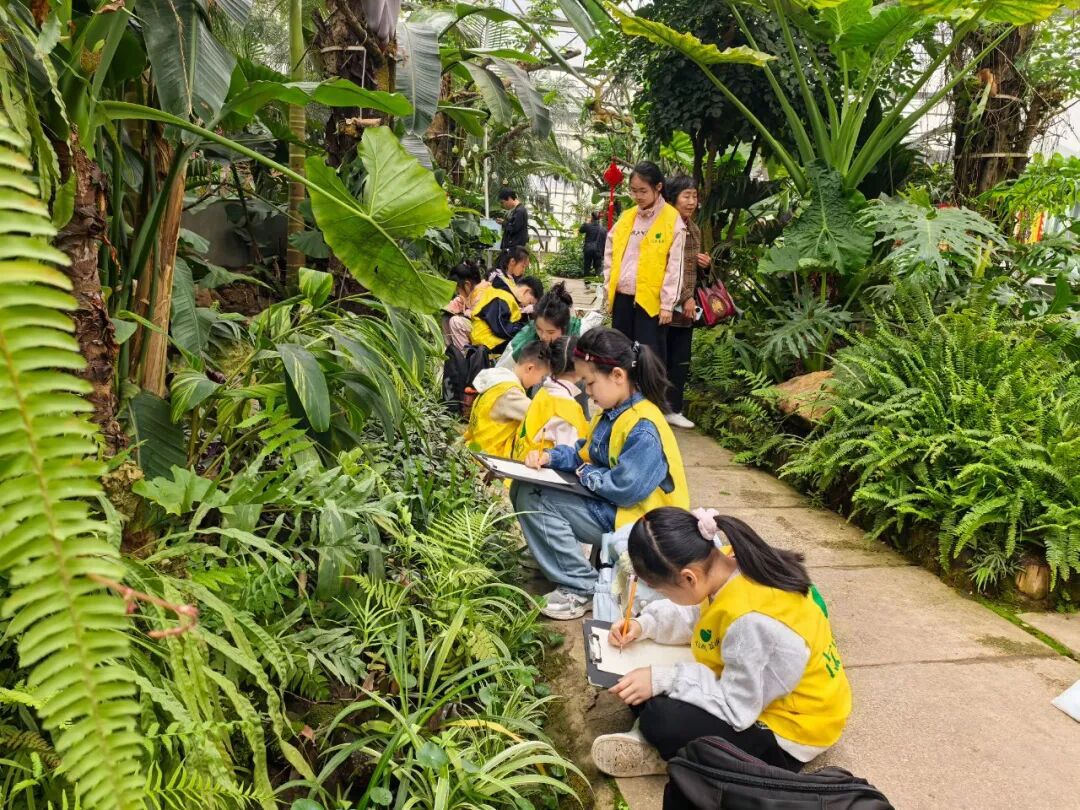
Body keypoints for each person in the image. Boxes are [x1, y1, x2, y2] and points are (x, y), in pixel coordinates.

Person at [590, 507, 852, 781]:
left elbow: (738, 707)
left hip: (791, 729)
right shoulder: (726, 563)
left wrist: (664, 678)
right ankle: (664, 743)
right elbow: (695, 612)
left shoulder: (751, 621)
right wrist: (644, 625)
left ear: (689, 577)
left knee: (661, 718)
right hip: (757, 689)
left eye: (663, 591)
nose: (663, 596)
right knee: (641, 690)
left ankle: (670, 754)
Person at [514, 328, 689, 621]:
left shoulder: (643, 426)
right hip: (618, 511)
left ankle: (582, 587)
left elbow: (624, 489)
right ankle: (553, 559)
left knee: (537, 497)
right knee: (523, 486)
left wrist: (583, 471)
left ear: (618, 375)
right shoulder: (610, 411)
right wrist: (549, 457)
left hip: (642, 527)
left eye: (591, 382)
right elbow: (582, 453)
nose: (587, 391)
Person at [603, 162, 686, 364]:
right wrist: (608, 291)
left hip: (651, 304)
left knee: (648, 359)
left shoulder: (672, 219)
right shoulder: (627, 217)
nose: (638, 196)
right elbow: (610, 255)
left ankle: (649, 387)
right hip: (622, 298)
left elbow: (675, 266)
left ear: (658, 187)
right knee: (621, 356)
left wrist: (667, 305)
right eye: (633, 191)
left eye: (643, 191)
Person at [663, 176, 711, 430]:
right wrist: (685, 297)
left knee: (680, 359)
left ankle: (673, 409)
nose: (692, 202)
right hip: (664, 305)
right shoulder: (665, 225)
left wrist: (706, 265)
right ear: (673, 198)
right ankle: (654, 407)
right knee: (658, 357)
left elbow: (689, 268)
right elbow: (666, 267)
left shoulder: (694, 229)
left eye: (694, 196)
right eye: (686, 196)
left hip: (685, 311)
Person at [463, 341, 551, 458]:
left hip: (473, 448)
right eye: (542, 377)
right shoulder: (510, 393)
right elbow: (539, 416)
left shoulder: (498, 381)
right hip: (486, 459)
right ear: (530, 368)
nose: (539, 382)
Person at [512, 336, 589, 461]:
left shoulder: (543, 392)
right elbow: (572, 458)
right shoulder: (568, 409)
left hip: (519, 462)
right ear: (581, 368)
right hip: (539, 470)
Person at [497, 282, 581, 369]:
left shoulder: (578, 333)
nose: (543, 336)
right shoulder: (522, 344)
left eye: (550, 332)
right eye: (539, 329)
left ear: (564, 327)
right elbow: (503, 370)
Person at [470, 275, 543, 355]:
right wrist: (523, 327)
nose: (526, 306)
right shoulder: (501, 296)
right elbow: (501, 329)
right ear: (526, 291)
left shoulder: (507, 296)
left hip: (492, 341)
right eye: (530, 302)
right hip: (486, 343)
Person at [442, 260, 483, 352]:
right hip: (475, 328)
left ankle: (464, 355)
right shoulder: (469, 294)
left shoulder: (482, 292)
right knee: (446, 318)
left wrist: (466, 313)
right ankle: (451, 352)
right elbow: (456, 303)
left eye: (458, 289)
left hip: (483, 332)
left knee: (456, 322)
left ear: (467, 285)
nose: (458, 293)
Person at [496, 188, 529, 269]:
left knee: (505, 270)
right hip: (513, 249)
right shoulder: (518, 210)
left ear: (509, 198)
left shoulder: (520, 211)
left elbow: (514, 228)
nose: (503, 205)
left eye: (503, 202)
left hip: (514, 249)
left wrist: (504, 223)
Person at [579, 211, 607, 278]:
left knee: (587, 266)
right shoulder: (603, 229)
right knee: (598, 268)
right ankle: (598, 281)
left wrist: (586, 222)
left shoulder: (588, 226)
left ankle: (587, 282)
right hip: (598, 250)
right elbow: (604, 241)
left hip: (588, 249)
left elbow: (581, 230)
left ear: (592, 218)